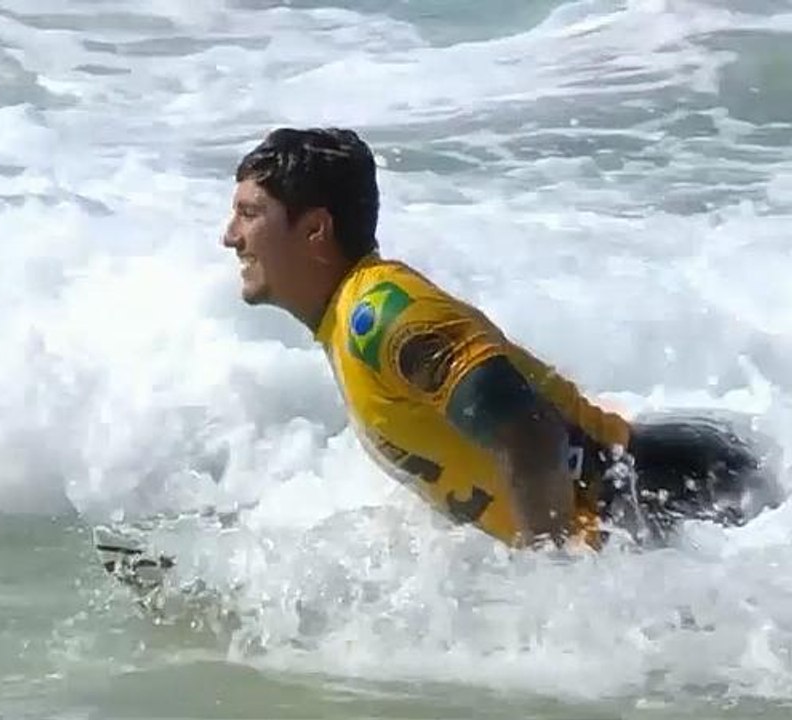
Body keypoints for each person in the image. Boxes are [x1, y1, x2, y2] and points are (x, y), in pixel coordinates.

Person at [222, 127, 785, 550]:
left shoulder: (382, 315)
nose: (231, 237)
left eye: (250, 214)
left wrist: (551, 583)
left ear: (315, 230)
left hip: (680, 491)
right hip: (656, 500)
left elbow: (529, 431)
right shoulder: (348, 322)